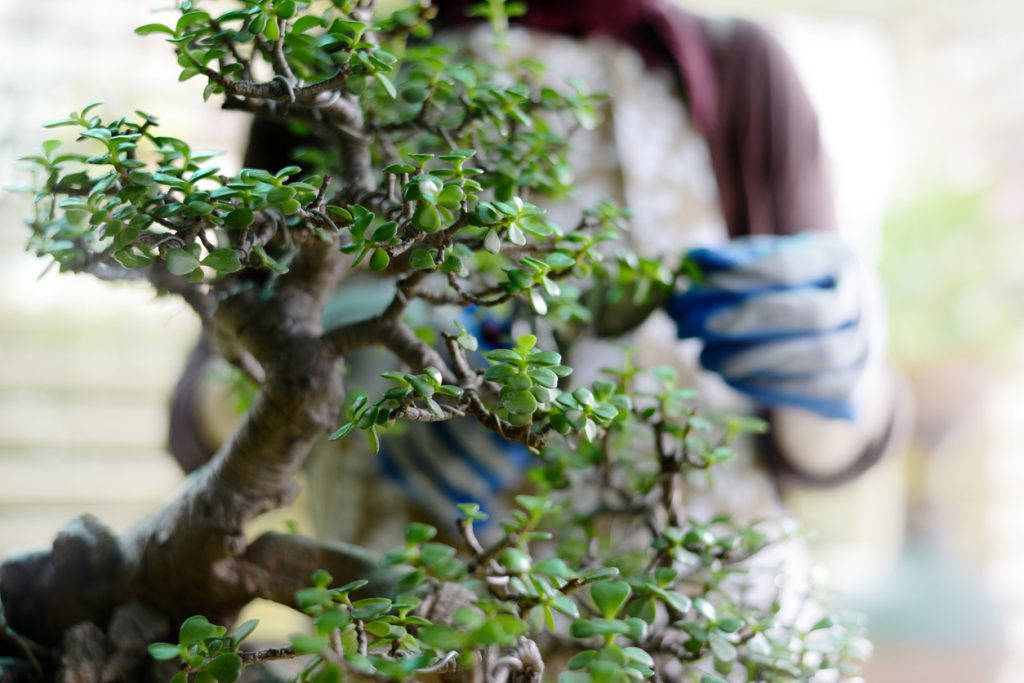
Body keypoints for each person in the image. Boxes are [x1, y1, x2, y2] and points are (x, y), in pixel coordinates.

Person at [170, 0, 900, 551]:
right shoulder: (323, 78)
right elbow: (203, 424)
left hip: (698, 620)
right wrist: (323, 361)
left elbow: (822, 452)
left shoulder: (736, 68)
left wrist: (842, 375)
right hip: (408, 632)